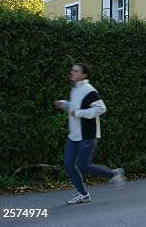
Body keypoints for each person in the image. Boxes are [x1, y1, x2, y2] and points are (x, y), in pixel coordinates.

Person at [54, 63, 126, 204]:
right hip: (74, 134)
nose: (72, 73)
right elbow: (76, 107)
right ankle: (83, 194)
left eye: (75, 71)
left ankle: (114, 173)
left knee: (83, 165)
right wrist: (65, 104)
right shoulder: (75, 89)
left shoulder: (89, 90)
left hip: (88, 134)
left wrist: (79, 113)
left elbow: (101, 108)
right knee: (69, 164)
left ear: (83, 75)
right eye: (72, 70)